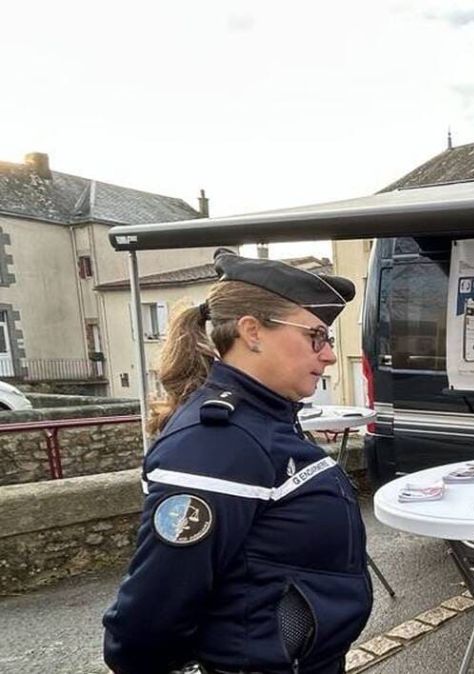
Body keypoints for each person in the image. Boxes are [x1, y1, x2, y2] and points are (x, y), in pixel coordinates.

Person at [103, 250, 371, 674]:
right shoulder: (217, 443)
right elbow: (153, 610)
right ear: (252, 331)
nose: (330, 356)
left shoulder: (261, 419)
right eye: (316, 337)